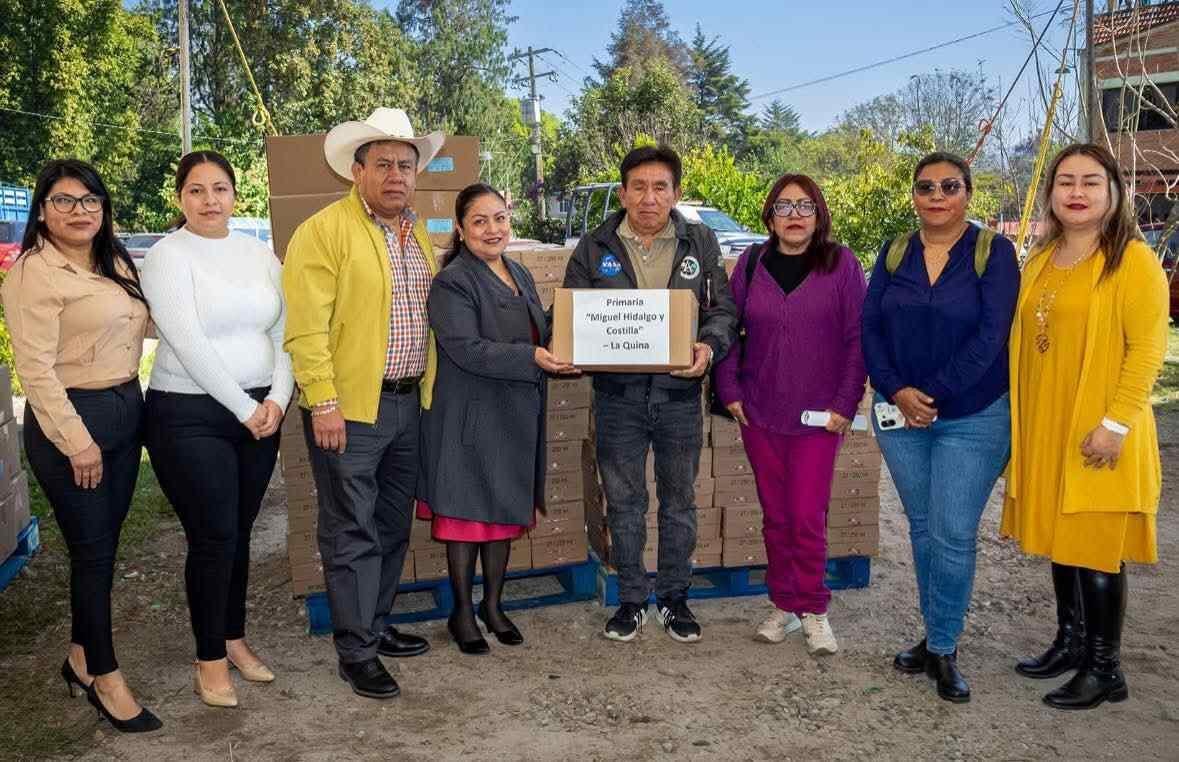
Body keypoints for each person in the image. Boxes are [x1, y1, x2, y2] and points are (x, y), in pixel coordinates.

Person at [1000, 143, 1168, 711]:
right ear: (1051, 192)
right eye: (1066, 181)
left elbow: (1147, 350)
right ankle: (1070, 644)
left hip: (1100, 426)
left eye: (1091, 182)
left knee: (1096, 545)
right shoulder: (1043, 258)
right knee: (1063, 539)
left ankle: (1105, 668)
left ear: (1113, 193)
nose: (1077, 192)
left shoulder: (1132, 261)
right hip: (1051, 420)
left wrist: (1116, 422)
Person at [282, 107, 442, 699]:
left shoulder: (416, 232)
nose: (397, 174)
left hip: (406, 404)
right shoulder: (324, 231)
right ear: (357, 171)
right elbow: (306, 327)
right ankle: (355, 652)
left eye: (406, 164)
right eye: (383, 164)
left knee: (391, 524)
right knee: (351, 529)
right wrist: (321, 400)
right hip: (347, 409)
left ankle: (374, 625)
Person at [1, 159, 160, 732]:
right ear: (42, 208)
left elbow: (144, 326)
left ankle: (77, 657)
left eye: (90, 200)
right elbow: (35, 371)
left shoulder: (113, 260)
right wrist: (78, 442)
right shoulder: (32, 275)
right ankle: (105, 678)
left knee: (103, 548)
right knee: (92, 553)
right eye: (65, 201)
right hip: (72, 419)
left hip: (124, 407)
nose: (79, 211)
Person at [562, 145, 738, 644]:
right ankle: (632, 599)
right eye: (638, 187)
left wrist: (709, 347)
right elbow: (567, 316)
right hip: (618, 397)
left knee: (679, 501)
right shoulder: (595, 246)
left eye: (660, 187)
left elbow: (723, 310)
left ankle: (675, 598)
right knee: (624, 502)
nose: (648, 197)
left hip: (680, 397)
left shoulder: (699, 241)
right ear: (622, 192)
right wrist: (569, 342)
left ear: (676, 193)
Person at [861, 151, 1019, 703]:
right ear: (914, 195)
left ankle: (945, 647)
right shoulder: (895, 251)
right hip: (900, 414)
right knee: (925, 529)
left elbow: (992, 335)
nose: (936, 195)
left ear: (967, 194)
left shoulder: (992, 253)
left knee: (952, 533)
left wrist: (934, 394)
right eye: (926, 186)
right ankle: (933, 637)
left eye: (949, 186)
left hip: (973, 416)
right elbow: (871, 328)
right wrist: (897, 390)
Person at [140, 151, 294, 709]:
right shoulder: (166, 257)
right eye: (197, 190)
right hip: (189, 413)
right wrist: (243, 408)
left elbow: (285, 330)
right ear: (179, 197)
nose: (210, 200)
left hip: (260, 413)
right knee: (213, 536)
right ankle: (208, 660)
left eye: (221, 189)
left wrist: (277, 398)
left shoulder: (258, 254)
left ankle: (233, 638)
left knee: (239, 529)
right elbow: (186, 341)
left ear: (235, 195)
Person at [417, 184, 577, 654]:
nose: (493, 229)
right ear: (462, 231)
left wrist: (579, 326)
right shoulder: (453, 283)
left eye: (501, 218)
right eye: (480, 221)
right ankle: (462, 613)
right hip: (469, 417)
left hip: (514, 417)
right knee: (468, 518)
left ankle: (494, 605)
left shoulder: (519, 273)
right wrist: (535, 357)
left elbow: (542, 328)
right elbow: (466, 349)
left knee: (505, 515)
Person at [713, 174, 867, 656]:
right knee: (776, 515)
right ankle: (784, 603)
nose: (795, 215)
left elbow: (858, 339)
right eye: (784, 206)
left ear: (818, 213)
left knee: (805, 514)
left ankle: (814, 608)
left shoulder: (841, 264)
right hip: (760, 411)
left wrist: (845, 404)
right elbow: (726, 326)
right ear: (770, 215)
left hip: (818, 417)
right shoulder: (752, 263)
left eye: (804, 206)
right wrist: (729, 388)